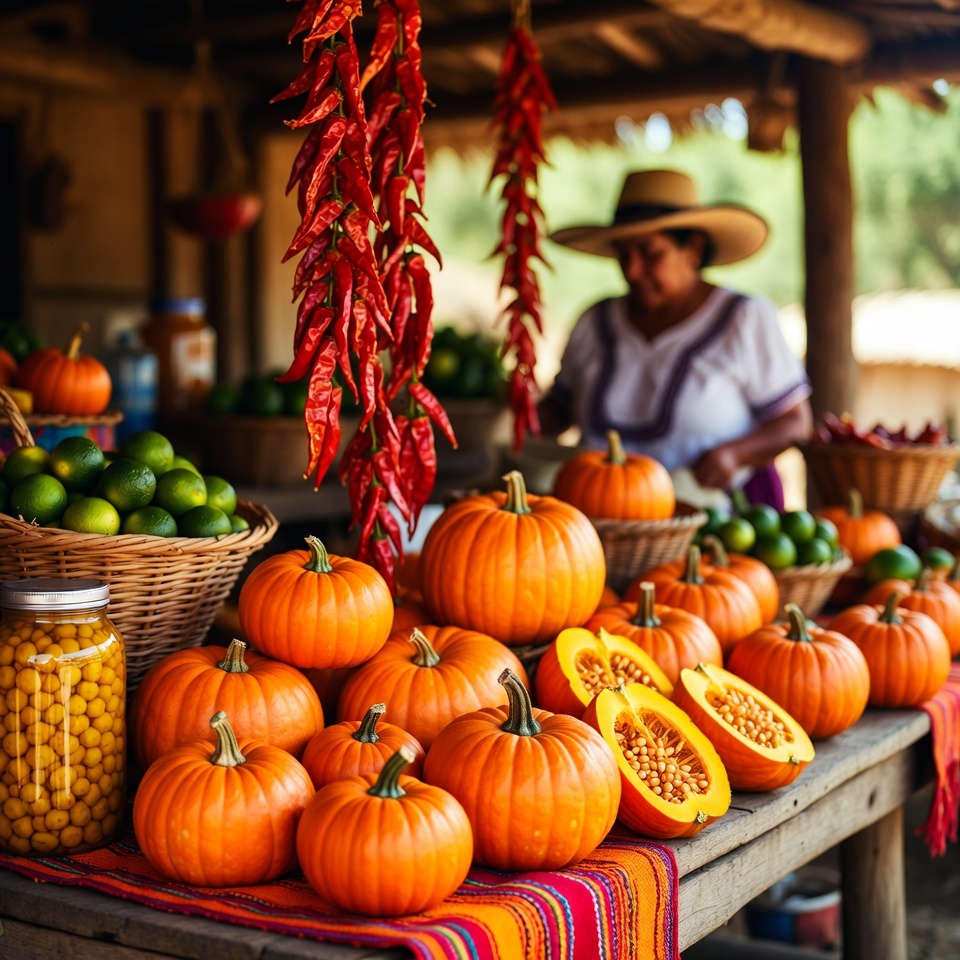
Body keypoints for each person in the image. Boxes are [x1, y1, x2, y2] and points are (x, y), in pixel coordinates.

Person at [538, 168, 813, 510]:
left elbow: (795, 423)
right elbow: (557, 413)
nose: (632, 270)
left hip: (719, 520)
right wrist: (511, 404)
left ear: (693, 248)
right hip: (599, 520)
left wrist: (733, 455)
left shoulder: (743, 320)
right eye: (623, 255)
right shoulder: (595, 323)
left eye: (650, 254)